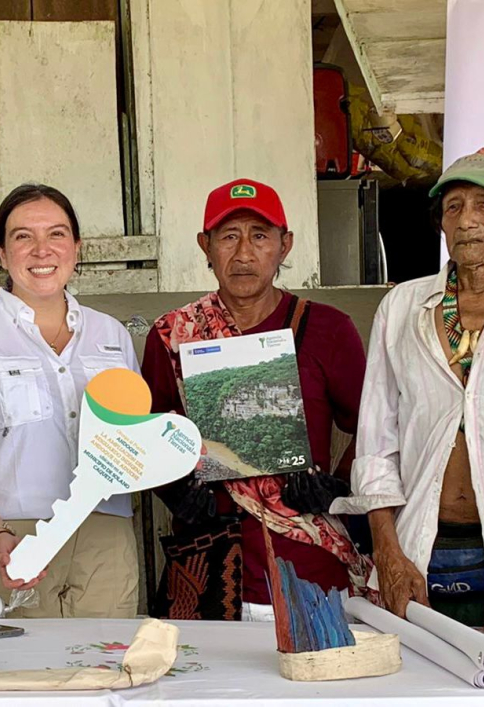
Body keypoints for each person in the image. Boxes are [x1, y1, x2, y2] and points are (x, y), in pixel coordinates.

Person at [142, 179, 370, 621]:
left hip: (307, 567)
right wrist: (173, 489)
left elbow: (375, 426)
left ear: (285, 246)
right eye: (228, 237)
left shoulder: (328, 329)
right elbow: (150, 434)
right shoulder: (173, 335)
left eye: (260, 236)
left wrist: (336, 485)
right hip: (209, 569)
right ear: (204, 246)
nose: (244, 253)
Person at [331, 148, 484, 632]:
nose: (466, 221)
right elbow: (376, 443)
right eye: (454, 207)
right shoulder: (402, 307)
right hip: (419, 548)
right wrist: (388, 551)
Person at [0, 184, 140, 618]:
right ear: (1, 252)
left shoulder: (111, 335)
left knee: (105, 672)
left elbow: (133, 443)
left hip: (104, 536)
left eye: (57, 235)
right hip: (8, 539)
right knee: (12, 678)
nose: (43, 251)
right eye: (23, 236)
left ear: (76, 248)